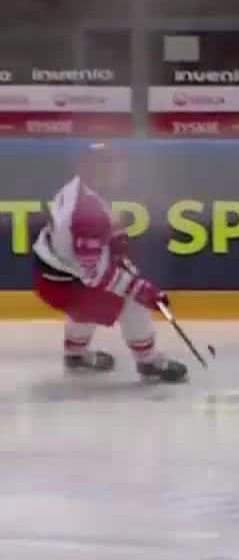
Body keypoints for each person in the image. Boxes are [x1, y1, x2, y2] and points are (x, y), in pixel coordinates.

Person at [30, 142, 186, 383]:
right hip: (63, 281)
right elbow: (92, 274)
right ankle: (148, 362)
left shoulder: (79, 188)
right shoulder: (87, 212)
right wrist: (140, 289)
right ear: (90, 169)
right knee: (132, 301)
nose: (116, 171)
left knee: (88, 303)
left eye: (116, 164)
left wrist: (114, 239)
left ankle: (76, 355)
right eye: (107, 165)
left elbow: (91, 234)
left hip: (53, 272)